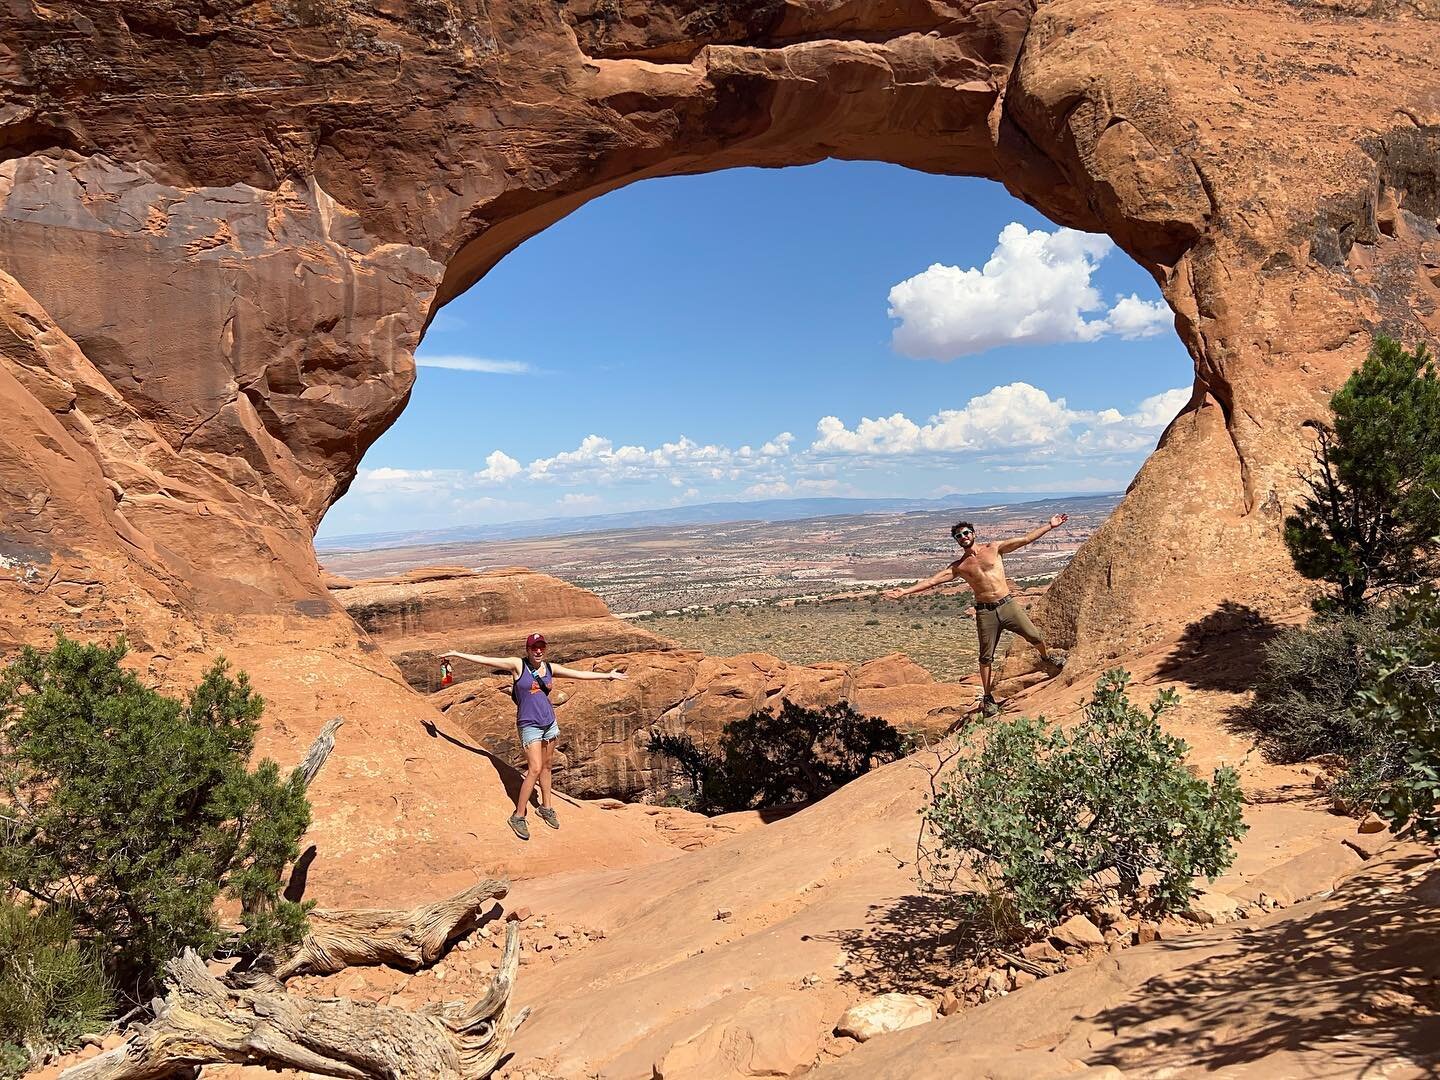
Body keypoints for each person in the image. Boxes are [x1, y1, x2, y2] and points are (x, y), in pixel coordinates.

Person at [440, 633, 627, 840]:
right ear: (527, 649)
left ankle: (546, 807)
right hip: (529, 725)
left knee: (547, 767)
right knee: (535, 768)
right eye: (534, 648)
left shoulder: (549, 668)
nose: (538, 651)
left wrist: (607, 676)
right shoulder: (517, 665)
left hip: (549, 723)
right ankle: (518, 815)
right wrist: (457, 654)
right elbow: (486, 661)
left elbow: (578, 674)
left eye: (541, 647)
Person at [886, 515, 1069, 716]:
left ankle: (1046, 657)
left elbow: (1025, 540)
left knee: (1034, 636)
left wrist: (1050, 526)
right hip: (985, 612)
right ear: (957, 541)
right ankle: (988, 697)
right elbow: (932, 581)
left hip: (1007, 604)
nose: (963, 537)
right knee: (985, 657)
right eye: (958, 536)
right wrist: (904, 592)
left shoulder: (994, 548)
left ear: (973, 534)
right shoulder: (959, 566)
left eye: (966, 533)